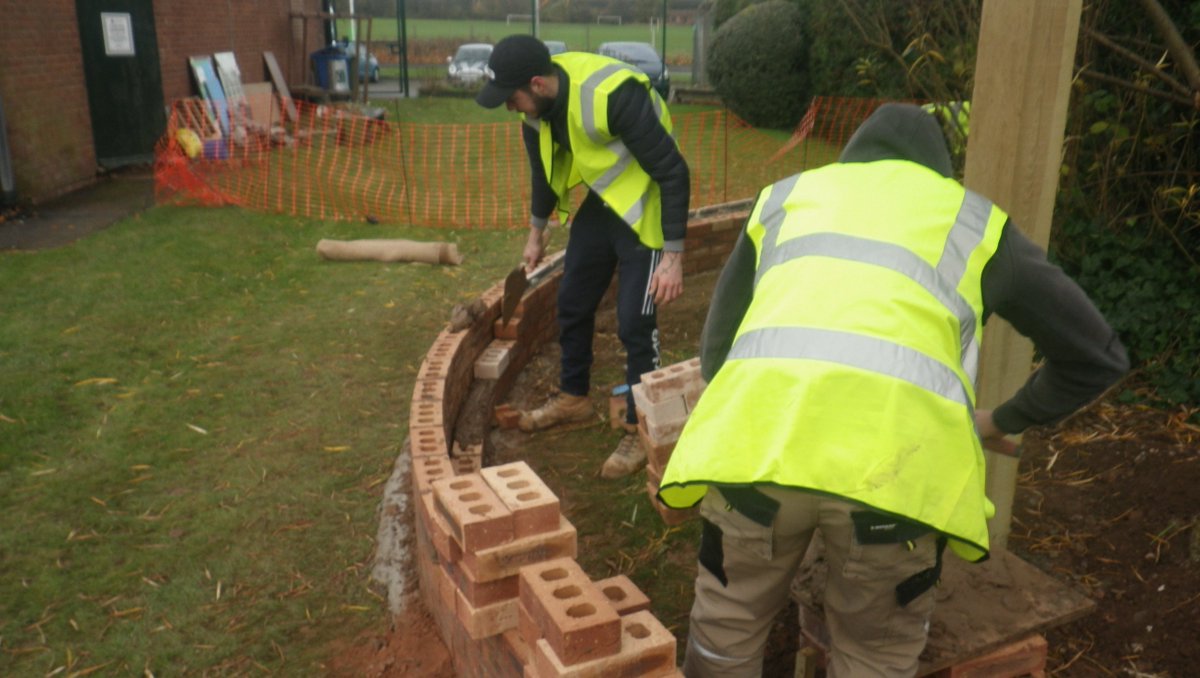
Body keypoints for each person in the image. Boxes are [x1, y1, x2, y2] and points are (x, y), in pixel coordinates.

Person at [658, 103, 1129, 677]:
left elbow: (716, 352)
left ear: (853, 154)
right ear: (940, 169)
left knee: (724, 634)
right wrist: (1001, 419)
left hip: (754, 459)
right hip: (893, 485)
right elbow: (1096, 355)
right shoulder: (973, 224)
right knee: (874, 655)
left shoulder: (785, 200)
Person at [476, 35, 690, 479]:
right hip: (604, 202)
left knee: (635, 321)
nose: (509, 108)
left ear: (536, 84)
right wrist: (536, 235)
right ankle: (573, 397)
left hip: (646, 204)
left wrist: (673, 257)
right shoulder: (535, 113)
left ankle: (639, 426)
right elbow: (542, 173)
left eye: (511, 98)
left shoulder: (612, 96)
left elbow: (672, 172)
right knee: (571, 301)